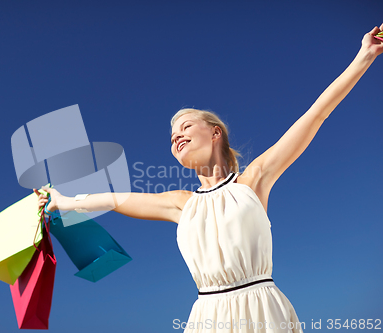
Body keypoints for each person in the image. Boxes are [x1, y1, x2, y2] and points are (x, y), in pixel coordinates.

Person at [33, 25, 383, 332]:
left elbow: (316, 114)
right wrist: (61, 200)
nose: (176, 136)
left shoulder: (253, 181)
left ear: (215, 133)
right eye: (171, 135)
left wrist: (364, 57)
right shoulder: (180, 203)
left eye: (185, 126)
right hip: (207, 318)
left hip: (262, 313)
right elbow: (111, 198)